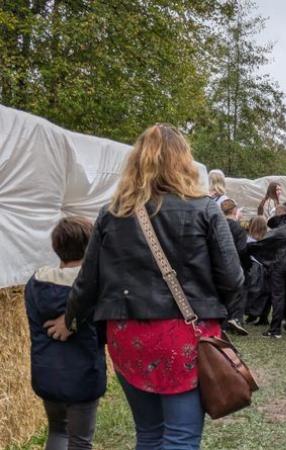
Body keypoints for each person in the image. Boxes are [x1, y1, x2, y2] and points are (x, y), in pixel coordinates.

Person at [46, 123, 245, 450]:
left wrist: (69, 321)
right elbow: (233, 278)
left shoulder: (112, 214)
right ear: (184, 162)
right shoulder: (205, 208)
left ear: (136, 163)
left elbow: (88, 280)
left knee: (149, 434)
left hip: (127, 336)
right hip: (184, 333)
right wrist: (216, 310)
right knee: (180, 437)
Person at [25, 217, 106, 450]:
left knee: (58, 432)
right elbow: (104, 330)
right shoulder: (92, 286)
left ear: (56, 247)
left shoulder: (35, 283)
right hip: (84, 374)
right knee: (80, 440)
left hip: (46, 371)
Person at [247, 205, 286, 338]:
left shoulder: (279, 231)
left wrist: (244, 248)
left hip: (279, 267)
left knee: (277, 297)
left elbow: (260, 244)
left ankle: (275, 329)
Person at [220, 198, 250, 336]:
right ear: (234, 210)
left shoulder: (219, 226)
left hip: (220, 263)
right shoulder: (238, 228)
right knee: (240, 292)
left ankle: (223, 322)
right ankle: (236, 319)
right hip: (237, 263)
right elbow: (242, 249)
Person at [244, 216, 272, 326]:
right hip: (266, 269)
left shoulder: (247, 240)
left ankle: (251, 314)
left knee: (251, 292)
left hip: (253, 268)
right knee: (265, 293)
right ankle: (263, 317)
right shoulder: (268, 240)